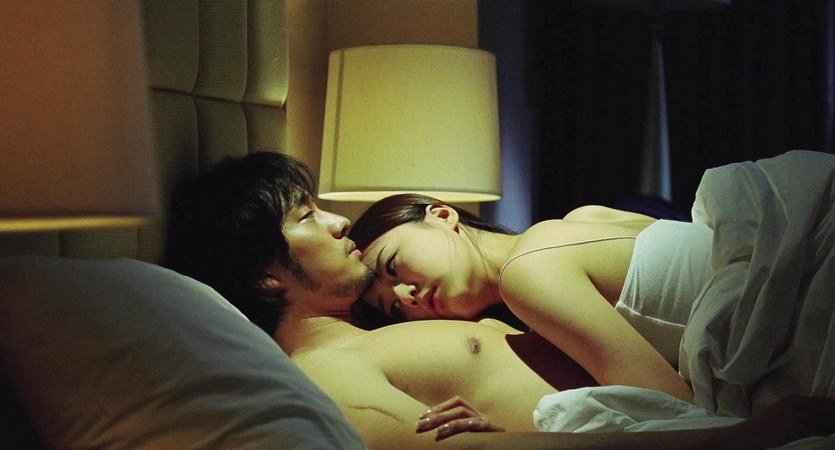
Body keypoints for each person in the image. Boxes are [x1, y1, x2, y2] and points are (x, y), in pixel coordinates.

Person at [165, 152, 835, 449]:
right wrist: (741, 438)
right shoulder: (325, 373)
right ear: (266, 277)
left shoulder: (384, 331)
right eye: (306, 215)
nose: (338, 221)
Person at [348, 193, 697, 403]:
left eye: (392, 266)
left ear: (441, 216)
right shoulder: (585, 216)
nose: (406, 296)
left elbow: (674, 411)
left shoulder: (527, 272)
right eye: (393, 308)